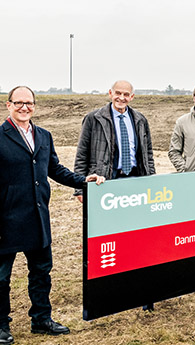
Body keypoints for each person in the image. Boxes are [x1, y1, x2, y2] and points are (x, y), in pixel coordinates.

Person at [0, 86, 105, 345]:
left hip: (37, 219)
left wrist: (83, 180)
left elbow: (54, 169)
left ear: (35, 105)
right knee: (0, 278)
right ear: (8, 105)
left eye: (29, 103)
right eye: (19, 102)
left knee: (42, 273)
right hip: (5, 222)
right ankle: (0, 325)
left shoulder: (44, 135)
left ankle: (41, 319)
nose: (25, 107)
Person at [73, 80, 156, 311]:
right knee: (109, 240)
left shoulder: (139, 119)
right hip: (106, 186)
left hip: (135, 184)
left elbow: (147, 154)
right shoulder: (94, 118)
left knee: (139, 236)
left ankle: (142, 292)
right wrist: (80, 187)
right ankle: (110, 289)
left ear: (132, 97)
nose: (121, 97)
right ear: (110, 93)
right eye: (117, 93)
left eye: (126, 94)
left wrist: (151, 183)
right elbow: (82, 153)